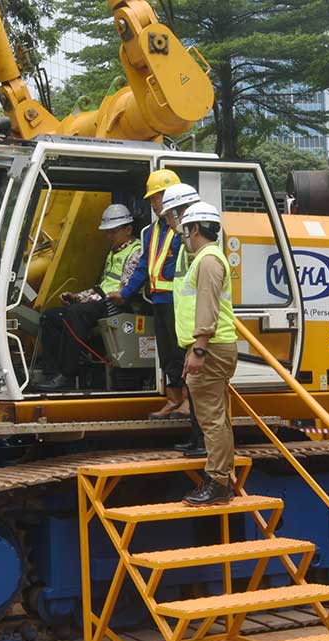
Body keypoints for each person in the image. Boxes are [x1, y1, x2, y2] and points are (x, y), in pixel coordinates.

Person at [174, 201, 239, 506]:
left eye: (185, 229)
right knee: (217, 416)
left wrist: (198, 348)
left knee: (211, 418)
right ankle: (221, 476)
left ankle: (217, 483)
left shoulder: (208, 260)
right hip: (214, 346)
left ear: (195, 228)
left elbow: (207, 307)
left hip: (210, 348)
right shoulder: (208, 258)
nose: (183, 235)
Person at [36, 204, 142, 391]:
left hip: (114, 305)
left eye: (113, 232)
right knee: (50, 316)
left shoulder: (135, 252)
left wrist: (87, 300)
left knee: (76, 314)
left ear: (128, 229)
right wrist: (77, 296)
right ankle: (51, 373)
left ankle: (68, 374)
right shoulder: (113, 253)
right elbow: (102, 285)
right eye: (107, 232)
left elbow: (123, 291)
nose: (109, 237)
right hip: (101, 300)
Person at [108, 169, 186, 419]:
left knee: (181, 352)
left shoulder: (186, 229)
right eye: (152, 199)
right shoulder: (152, 231)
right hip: (159, 301)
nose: (154, 203)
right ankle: (173, 400)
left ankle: (187, 400)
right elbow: (144, 266)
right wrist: (126, 293)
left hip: (180, 302)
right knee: (167, 354)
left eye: (158, 197)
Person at [158, 183, 208, 456]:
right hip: (189, 331)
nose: (167, 220)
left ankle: (202, 443)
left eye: (169, 215)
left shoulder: (199, 249)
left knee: (201, 394)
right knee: (194, 388)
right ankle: (195, 438)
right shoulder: (186, 245)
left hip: (199, 334)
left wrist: (200, 343)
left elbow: (206, 297)